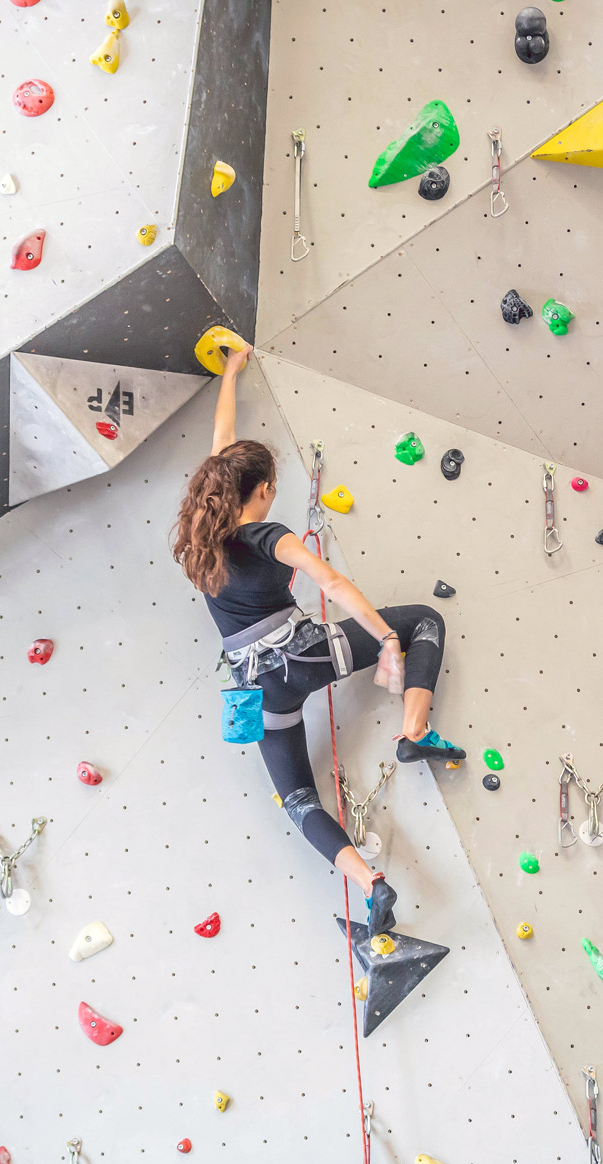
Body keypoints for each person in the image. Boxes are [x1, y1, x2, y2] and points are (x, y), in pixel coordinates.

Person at [171, 342, 464, 934]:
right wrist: (384, 637)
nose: (273, 491)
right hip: (302, 656)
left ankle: (372, 885)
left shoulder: (200, 530)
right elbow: (328, 580)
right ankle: (412, 732)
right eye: (271, 485)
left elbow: (223, 439)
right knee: (424, 621)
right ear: (258, 492)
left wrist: (232, 369)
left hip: (256, 692)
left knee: (299, 799)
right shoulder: (268, 536)